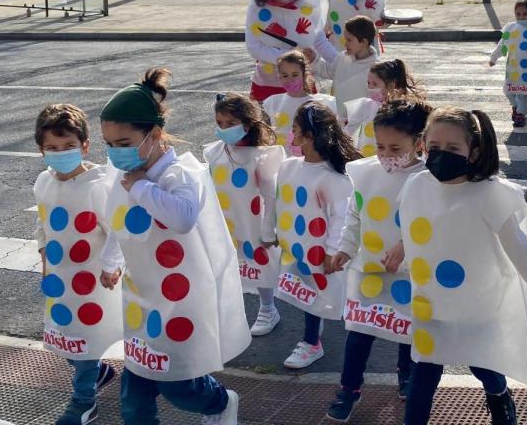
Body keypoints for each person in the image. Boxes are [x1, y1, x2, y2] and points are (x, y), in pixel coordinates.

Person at [398, 107, 527, 425]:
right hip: (430, 306)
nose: (441, 155)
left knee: (485, 367)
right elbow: (411, 230)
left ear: (474, 152)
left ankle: (500, 399)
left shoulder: (490, 195)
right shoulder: (417, 186)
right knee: (423, 374)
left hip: (477, 308)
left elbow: (523, 254)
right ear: (422, 145)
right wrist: (397, 251)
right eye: (434, 147)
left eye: (453, 148)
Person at [98, 68, 248, 425]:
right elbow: (119, 225)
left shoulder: (182, 174)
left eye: (123, 143)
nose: (116, 153)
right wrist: (109, 263)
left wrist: (141, 188)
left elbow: (182, 217)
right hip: (140, 297)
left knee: (179, 386)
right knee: (134, 397)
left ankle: (221, 402)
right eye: (109, 145)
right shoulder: (123, 178)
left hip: (179, 301)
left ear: (153, 134)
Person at [325, 99, 434, 421]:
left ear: (419, 142)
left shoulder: (429, 179)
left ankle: (407, 377)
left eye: (395, 147)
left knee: (407, 330)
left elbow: (432, 223)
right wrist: (344, 249)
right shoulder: (364, 173)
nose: (386, 154)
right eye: (380, 146)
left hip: (410, 272)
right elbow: (355, 215)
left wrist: (405, 245)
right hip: (368, 268)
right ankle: (349, 389)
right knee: (359, 332)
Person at [34, 104, 121, 425]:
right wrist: (43, 253)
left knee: (85, 338)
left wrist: (112, 266)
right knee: (66, 336)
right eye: (52, 148)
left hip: (93, 282)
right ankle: (97, 373)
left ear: (85, 145)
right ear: (41, 151)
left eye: (69, 146)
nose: (60, 153)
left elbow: (116, 230)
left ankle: (84, 401)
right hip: (59, 278)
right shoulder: (44, 181)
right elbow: (43, 224)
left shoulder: (98, 186)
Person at [274, 101, 360, 368]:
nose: (292, 134)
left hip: (322, 252)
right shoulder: (289, 167)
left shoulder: (334, 179)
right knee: (307, 293)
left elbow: (340, 218)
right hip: (298, 249)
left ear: (309, 136)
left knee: (327, 295)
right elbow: (280, 201)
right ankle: (312, 340)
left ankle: (318, 342)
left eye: (296, 129)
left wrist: (332, 252)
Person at [204, 93, 285, 336]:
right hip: (224, 221)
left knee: (259, 264)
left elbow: (271, 196)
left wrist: (269, 228)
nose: (224, 129)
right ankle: (230, 313)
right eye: (220, 124)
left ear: (247, 124)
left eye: (230, 124)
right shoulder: (213, 152)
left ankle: (268, 308)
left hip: (252, 222)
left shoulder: (262, 156)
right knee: (225, 264)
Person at [244, 0, 329, 102]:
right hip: (267, 85)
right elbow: (254, 47)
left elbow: (319, 39)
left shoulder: (305, 5)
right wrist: (293, 58)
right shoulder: (258, 8)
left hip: (302, 85)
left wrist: (339, 61)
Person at [344, 59, 424, 158]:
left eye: (375, 84)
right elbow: (349, 130)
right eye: (368, 83)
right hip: (365, 157)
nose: (370, 88)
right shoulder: (365, 105)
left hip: (393, 158)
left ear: (391, 85)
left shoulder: (403, 109)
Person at [489, 0, 527, 128]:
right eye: (518, 14)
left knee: (522, 93)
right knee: (509, 91)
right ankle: (515, 107)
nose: (521, 17)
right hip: (512, 68)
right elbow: (502, 44)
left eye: (525, 14)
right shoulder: (510, 27)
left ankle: (521, 114)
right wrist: (493, 57)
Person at [262, 50, 336, 155]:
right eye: (285, 75)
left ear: (304, 74)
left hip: (309, 161)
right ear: (279, 76)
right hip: (281, 161)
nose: (290, 80)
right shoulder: (272, 102)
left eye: (295, 75)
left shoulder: (319, 103)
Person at [308, 15, 380, 119]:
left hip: (358, 122)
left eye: (349, 40)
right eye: (345, 39)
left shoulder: (375, 69)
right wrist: (314, 60)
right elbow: (328, 71)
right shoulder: (342, 57)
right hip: (337, 118)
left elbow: (375, 101)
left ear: (363, 42)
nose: (345, 43)